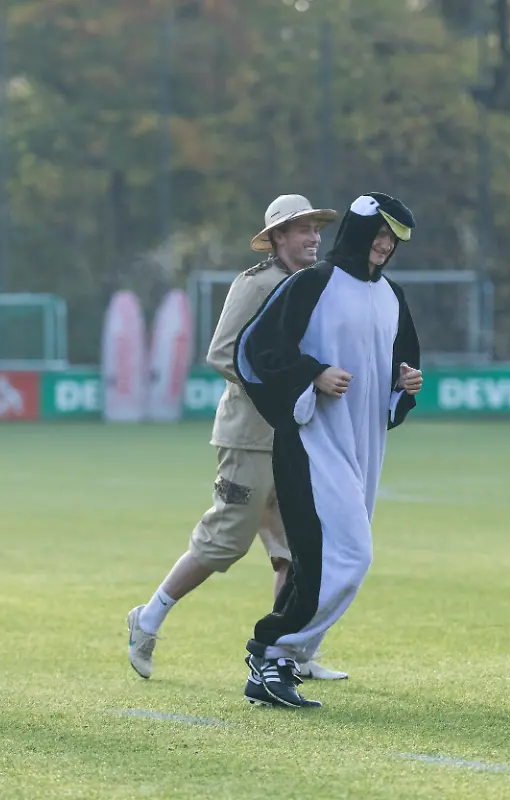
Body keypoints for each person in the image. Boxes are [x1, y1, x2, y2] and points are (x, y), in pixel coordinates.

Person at [126, 195, 348, 681]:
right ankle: (147, 619)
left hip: (294, 438)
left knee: (295, 552)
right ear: (277, 238)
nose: (314, 237)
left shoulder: (312, 284)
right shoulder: (257, 285)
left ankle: (284, 653)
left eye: (316, 228)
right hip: (248, 438)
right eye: (303, 229)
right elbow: (223, 354)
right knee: (226, 541)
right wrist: (292, 382)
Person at [233, 192, 423, 709]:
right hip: (312, 443)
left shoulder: (392, 296)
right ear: (359, 232)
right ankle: (272, 649)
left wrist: (404, 382)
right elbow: (253, 353)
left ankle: (278, 666)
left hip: (365, 449)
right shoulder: (312, 284)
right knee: (350, 556)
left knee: (321, 562)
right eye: (378, 235)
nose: (384, 246)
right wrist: (312, 374)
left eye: (393, 240)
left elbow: (398, 366)